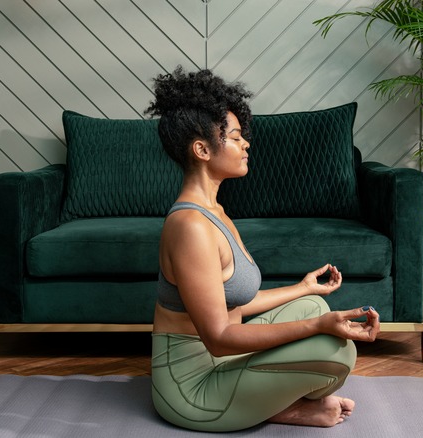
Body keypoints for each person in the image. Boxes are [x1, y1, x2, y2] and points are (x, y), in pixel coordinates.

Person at [145, 67, 380, 432]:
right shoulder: (190, 227)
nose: (246, 144)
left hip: (220, 364)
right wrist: (317, 327)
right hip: (191, 389)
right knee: (335, 352)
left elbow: (231, 305)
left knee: (313, 304)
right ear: (202, 149)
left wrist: (303, 288)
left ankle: (265, 402)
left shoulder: (215, 212)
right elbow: (220, 339)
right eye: (236, 137)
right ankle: (286, 409)